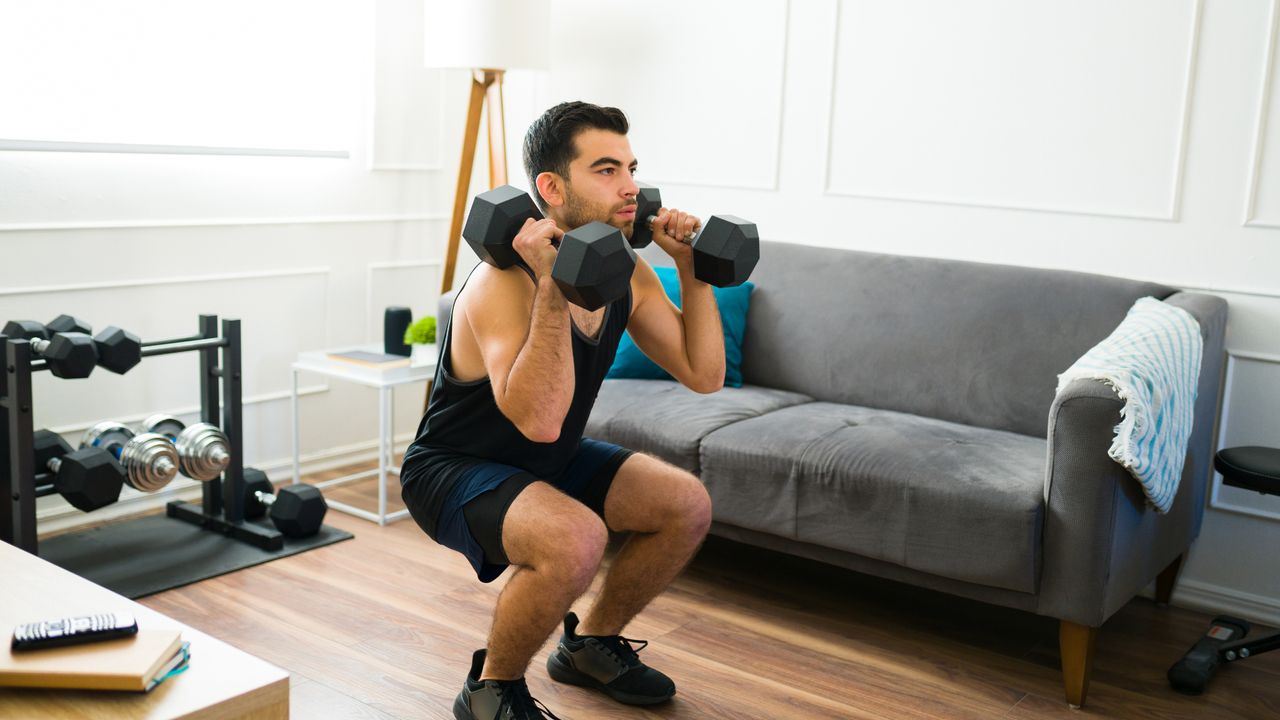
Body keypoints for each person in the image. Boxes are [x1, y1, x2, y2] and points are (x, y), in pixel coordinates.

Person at [400, 101, 723, 720]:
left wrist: (691, 269)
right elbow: (540, 420)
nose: (630, 187)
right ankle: (491, 691)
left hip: (548, 459)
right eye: (606, 170)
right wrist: (553, 287)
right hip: (455, 469)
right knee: (577, 539)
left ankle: (590, 647)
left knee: (685, 504)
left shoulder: (625, 272)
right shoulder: (502, 283)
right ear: (551, 187)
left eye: (631, 167)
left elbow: (703, 375)